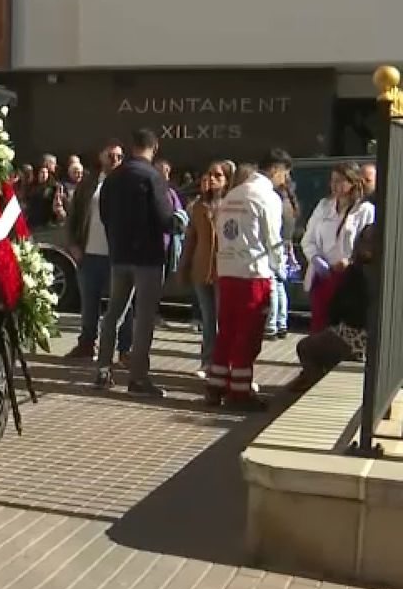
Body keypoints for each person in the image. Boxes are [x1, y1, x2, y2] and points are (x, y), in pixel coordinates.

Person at [92, 128, 174, 398]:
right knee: (144, 318)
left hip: (119, 255)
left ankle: (103, 369)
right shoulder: (153, 177)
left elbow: (104, 214)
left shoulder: (113, 178)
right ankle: (138, 377)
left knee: (114, 313)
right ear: (155, 147)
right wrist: (179, 223)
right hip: (148, 258)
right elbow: (164, 219)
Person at [210, 158, 284, 410]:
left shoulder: (231, 195)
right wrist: (280, 266)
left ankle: (215, 384)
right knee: (247, 334)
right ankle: (240, 392)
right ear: (276, 171)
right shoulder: (267, 197)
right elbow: (273, 237)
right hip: (253, 273)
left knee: (227, 331)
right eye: (285, 174)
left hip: (227, 270)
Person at [66, 139, 133, 360]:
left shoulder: (128, 183)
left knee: (123, 306)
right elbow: (74, 215)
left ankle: (125, 350)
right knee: (89, 303)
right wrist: (74, 244)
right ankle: (87, 344)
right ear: (101, 157)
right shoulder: (89, 183)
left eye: (119, 156)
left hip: (117, 256)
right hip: (90, 253)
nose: (115, 160)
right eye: (110, 155)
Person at [294, 224, 376, 388]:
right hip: (373, 336)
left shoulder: (357, 272)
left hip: (356, 336)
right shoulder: (384, 269)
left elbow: (340, 307)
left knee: (305, 347)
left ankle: (315, 385)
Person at [301, 161, 375, 332]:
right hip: (322, 277)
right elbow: (308, 238)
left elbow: (368, 245)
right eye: (333, 180)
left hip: (347, 277)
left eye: (340, 180)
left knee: (339, 327)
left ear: (353, 182)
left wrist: (350, 261)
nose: (335, 185)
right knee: (319, 324)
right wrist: (316, 258)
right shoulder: (324, 206)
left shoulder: (365, 210)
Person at [178, 161, 232, 376]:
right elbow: (190, 239)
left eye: (218, 176)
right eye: (209, 175)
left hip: (224, 269)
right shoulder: (199, 206)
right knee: (208, 319)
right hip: (202, 268)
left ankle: (223, 362)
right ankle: (207, 361)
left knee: (222, 318)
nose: (211, 179)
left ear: (227, 180)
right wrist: (183, 266)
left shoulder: (232, 204)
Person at [262, 150, 297, 340]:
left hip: (276, 245)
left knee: (274, 285)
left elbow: (275, 229)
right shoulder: (289, 200)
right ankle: (281, 322)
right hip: (284, 243)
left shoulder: (277, 199)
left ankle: (272, 324)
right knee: (280, 285)